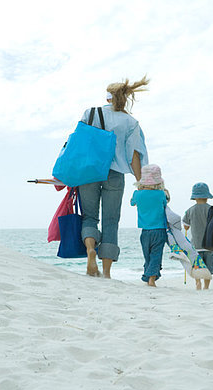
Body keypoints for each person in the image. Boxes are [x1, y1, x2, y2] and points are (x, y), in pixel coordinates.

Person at [79, 76, 150, 278]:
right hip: (115, 174)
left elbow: (78, 144)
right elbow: (134, 154)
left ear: (108, 97)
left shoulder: (90, 113)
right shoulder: (130, 122)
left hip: (89, 171)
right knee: (111, 221)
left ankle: (90, 250)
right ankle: (107, 272)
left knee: (89, 217)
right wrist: (140, 182)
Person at [130, 164, 168, 287]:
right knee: (156, 255)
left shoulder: (138, 194)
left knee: (147, 255)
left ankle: (148, 276)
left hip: (145, 231)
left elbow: (132, 203)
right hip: (159, 230)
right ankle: (151, 278)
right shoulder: (161, 194)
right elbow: (166, 202)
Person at [182, 182, 213, 290]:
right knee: (208, 268)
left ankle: (198, 284)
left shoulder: (190, 210)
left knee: (197, 267)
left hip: (196, 245)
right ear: (207, 196)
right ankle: (206, 286)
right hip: (209, 244)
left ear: (194, 197)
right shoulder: (212, 209)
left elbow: (186, 226)